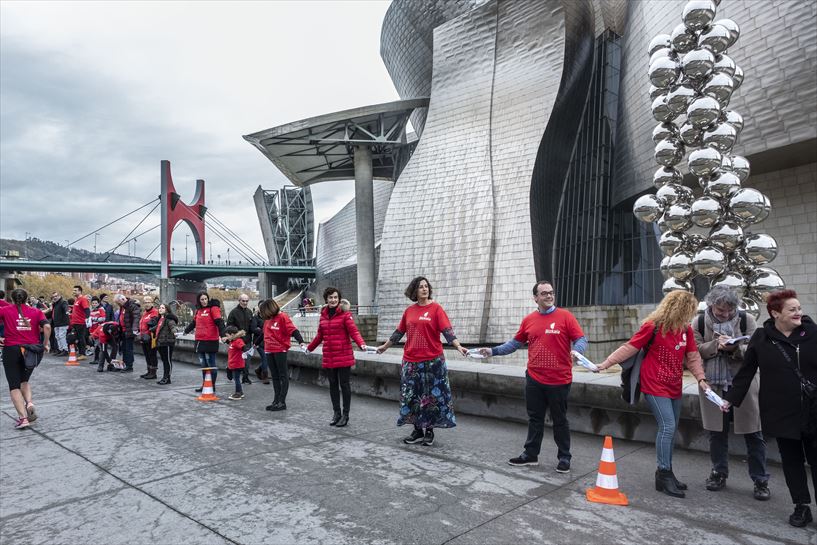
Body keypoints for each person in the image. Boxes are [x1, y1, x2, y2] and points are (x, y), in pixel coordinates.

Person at [597, 290, 709, 498]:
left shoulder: (686, 330)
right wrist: (604, 364)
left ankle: (665, 473)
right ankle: (664, 473)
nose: (690, 317)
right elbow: (629, 347)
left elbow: (693, 357)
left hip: (674, 385)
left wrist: (701, 379)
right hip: (654, 383)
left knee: (672, 429)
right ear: (679, 309)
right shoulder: (653, 327)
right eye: (688, 312)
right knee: (667, 426)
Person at [722, 290, 817, 527]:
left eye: (799, 308)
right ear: (776, 313)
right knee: (792, 462)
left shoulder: (813, 333)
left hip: (814, 410)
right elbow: (746, 371)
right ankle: (801, 506)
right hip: (781, 412)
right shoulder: (762, 338)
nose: (799, 313)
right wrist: (731, 399)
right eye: (792, 309)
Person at [477, 280, 588, 472]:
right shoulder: (529, 320)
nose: (549, 296)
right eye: (544, 293)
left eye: (551, 292)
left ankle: (564, 457)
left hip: (559, 380)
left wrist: (577, 351)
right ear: (535, 298)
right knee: (534, 419)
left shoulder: (565, 317)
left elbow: (580, 338)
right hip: (534, 379)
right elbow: (514, 343)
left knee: (559, 420)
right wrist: (493, 351)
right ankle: (530, 455)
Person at [692, 286, 769, 500]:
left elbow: (757, 351)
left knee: (754, 433)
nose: (725, 314)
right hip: (713, 385)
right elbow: (694, 352)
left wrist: (734, 348)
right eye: (720, 311)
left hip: (743, 384)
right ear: (710, 306)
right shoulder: (698, 322)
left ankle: (760, 479)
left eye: (729, 311)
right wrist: (716, 345)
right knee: (717, 433)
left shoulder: (747, 320)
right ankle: (718, 473)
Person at [376, 276, 468, 447]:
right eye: (420, 287)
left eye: (426, 286)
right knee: (413, 397)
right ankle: (417, 430)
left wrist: (459, 347)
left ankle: (430, 431)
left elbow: (447, 332)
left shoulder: (436, 309)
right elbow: (399, 333)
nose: (425, 289)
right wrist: (385, 347)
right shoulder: (409, 311)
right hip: (411, 362)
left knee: (432, 398)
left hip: (433, 361)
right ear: (414, 291)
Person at [306, 287, 367, 427]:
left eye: (335, 297)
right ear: (326, 299)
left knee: (344, 385)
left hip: (343, 356)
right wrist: (309, 348)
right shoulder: (323, 315)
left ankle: (345, 415)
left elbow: (354, 332)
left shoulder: (345, 315)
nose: (333, 300)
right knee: (333, 386)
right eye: (330, 298)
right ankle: (336, 413)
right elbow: (319, 336)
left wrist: (362, 344)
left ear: (339, 299)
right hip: (329, 355)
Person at [0, 288, 51, 429]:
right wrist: (44, 345)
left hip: (12, 349)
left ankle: (23, 419)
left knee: (14, 385)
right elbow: (47, 327)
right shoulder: (36, 312)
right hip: (31, 350)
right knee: (24, 380)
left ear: (12, 299)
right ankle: (29, 402)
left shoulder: (5, 310)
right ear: (27, 298)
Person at [258, 298, 305, 411]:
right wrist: (255, 344)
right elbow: (263, 334)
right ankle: (276, 400)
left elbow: (293, 330)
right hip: (269, 349)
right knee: (274, 376)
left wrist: (301, 342)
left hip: (280, 350)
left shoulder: (283, 317)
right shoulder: (268, 320)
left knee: (283, 375)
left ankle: (282, 401)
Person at [184, 292, 226, 392]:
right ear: (199, 300)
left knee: (211, 364)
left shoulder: (213, 309)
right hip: (200, 341)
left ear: (208, 299)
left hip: (210, 341)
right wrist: (186, 331)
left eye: (206, 299)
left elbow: (219, 322)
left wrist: (223, 335)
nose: (204, 301)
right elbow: (194, 323)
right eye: (202, 299)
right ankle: (205, 384)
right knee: (203, 365)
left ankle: (212, 385)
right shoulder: (198, 310)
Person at [227, 294, 254, 385]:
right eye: (243, 301)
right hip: (237, 342)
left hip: (247, 340)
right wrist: (236, 334)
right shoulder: (233, 312)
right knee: (237, 362)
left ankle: (245, 377)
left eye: (247, 301)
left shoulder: (249, 312)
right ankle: (231, 371)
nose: (245, 303)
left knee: (247, 361)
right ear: (239, 301)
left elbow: (252, 326)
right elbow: (229, 326)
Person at [151, 303, 178, 385]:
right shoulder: (161, 319)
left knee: (168, 361)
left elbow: (172, 326)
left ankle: (167, 378)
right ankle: (164, 377)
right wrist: (149, 329)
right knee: (164, 361)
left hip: (168, 343)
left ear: (167, 309)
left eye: (163, 308)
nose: (160, 309)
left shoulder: (169, 319)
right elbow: (158, 327)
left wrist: (175, 332)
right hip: (161, 343)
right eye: (160, 308)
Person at [114, 294, 141, 372]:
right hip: (123, 330)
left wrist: (134, 329)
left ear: (122, 299)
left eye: (118, 302)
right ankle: (125, 364)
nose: (118, 304)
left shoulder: (132, 305)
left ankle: (129, 366)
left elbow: (136, 317)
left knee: (129, 349)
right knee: (124, 348)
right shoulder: (123, 306)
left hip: (129, 330)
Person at [224, 326, 250, 400]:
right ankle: (240, 392)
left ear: (232, 335)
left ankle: (238, 393)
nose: (227, 337)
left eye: (227, 335)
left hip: (237, 364)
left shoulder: (238, 341)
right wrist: (226, 339)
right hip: (232, 364)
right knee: (235, 378)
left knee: (237, 379)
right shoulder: (233, 341)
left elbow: (243, 347)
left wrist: (245, 351)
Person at [138, 296, 159, 379]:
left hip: (151, 337)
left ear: (152, 303)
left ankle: (153, 373)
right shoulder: (145, 313)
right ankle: (149, 371)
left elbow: (154, 325)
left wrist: (147, 333)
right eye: (145, 302)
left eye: (148, 302)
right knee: (147, 355)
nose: (147, 304)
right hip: (144, 337)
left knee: (152, 354)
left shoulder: (154, 312)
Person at [69, 285, 90, 360]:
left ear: (80, 291)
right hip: (75, 322)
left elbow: (87, 309)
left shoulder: (83, 299)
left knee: (81, 338)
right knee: (76, 338)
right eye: (73, 290)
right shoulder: (76, 300)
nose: (73, 292)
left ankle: (83, 354)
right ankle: (81, 352)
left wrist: (87, 319)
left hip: (80, 323)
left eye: (75, 290)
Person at [50, 292, 70, 356]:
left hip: (63, 322)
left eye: (56, 296)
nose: (55, 297)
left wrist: (67, 311)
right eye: (53, 297)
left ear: (60, 296)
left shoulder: (63, 302)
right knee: (57, 336)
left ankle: (65, 350)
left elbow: (66, 307)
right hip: (56, 323)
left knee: (62, 336)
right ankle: (60, 349)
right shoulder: (55, 304)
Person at [89, 297, 107, 366]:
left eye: (96, 303)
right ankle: (96, 359)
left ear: (98, 303)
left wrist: (93, 318)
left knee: (98, 345)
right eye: (93, 303)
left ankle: (99, 359)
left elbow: (103, 318)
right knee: (95, 345)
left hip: (99, 330)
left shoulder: (101, 309)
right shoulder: (91, 310)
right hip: (92, 330)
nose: (94, 304)